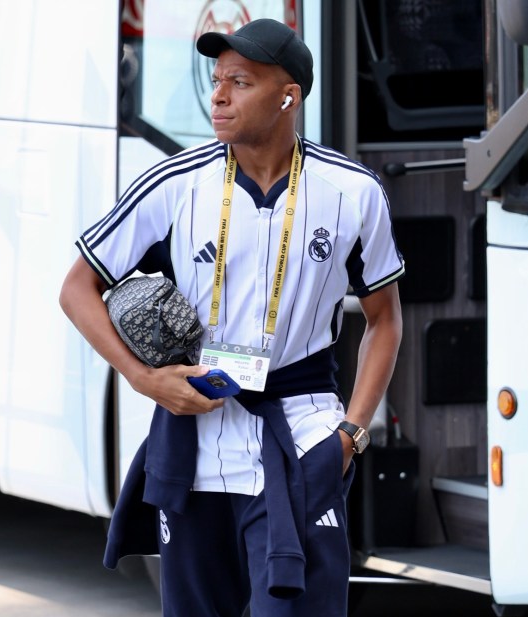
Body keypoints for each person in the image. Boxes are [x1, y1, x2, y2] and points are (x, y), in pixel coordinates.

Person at [59, 17, 404, 617]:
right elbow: (77, 288)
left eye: (240, 82)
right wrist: (142, 378)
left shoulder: (354, 190)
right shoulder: (174, 183)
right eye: (217, 80)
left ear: (288, 95)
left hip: (301, 440)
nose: (218, 96)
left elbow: (385, 320)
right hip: (196, 446)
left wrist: (349, 435)